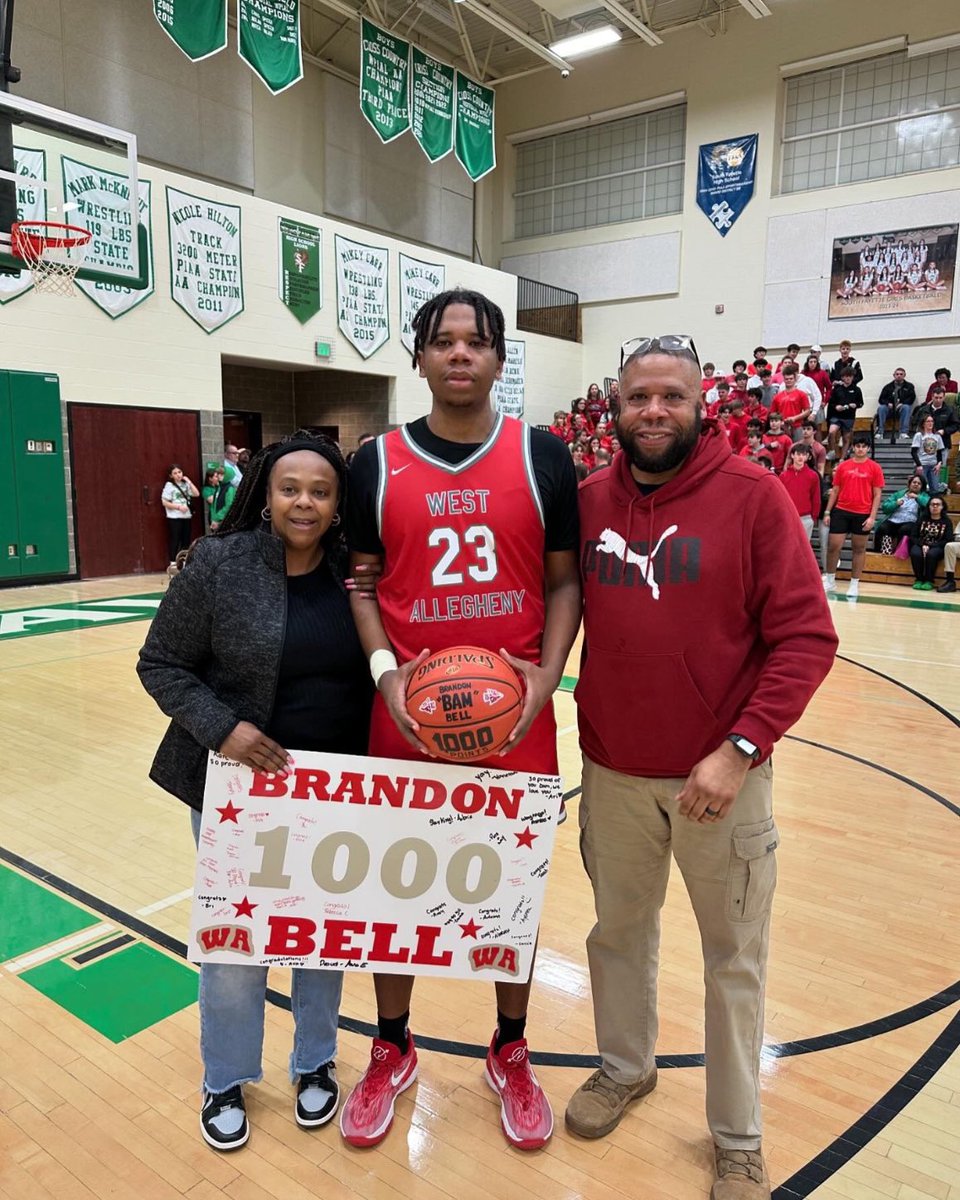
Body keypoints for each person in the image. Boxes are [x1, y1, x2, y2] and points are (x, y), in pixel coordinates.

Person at [568, 334, 837, 1200]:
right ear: (614, 408)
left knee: (733, 959)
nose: (654, 411)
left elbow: (806, 638)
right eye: (638, 396)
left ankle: (736, 1135)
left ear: (700, 405)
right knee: (616, 937)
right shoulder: (587, 501)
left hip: (720, 779)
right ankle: (625, 1068)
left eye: (671, 397)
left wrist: (742, 747)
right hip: (612, 772)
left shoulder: (753, 497)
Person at [342, 288, 581, 1152]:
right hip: (405, 717)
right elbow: (361, 582)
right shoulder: (375, 461)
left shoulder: (542, 455)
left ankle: (509, 1049)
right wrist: (386, 675)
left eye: (476, 342)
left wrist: (547, 679)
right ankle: (393, 1045)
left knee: (509, 896)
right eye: (442, 341)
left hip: (516, 720)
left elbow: (564, 582)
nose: (459, 355)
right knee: (394, 891)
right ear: (419, 357)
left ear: (498, 357)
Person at [137, 431, 373, 1150]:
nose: (306, 501)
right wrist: (223, 730)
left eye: (322, 491)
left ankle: (314, 1062)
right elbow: (162, 664)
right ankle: (227, 1076)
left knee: (320, 937)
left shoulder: (355, 573)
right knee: (237, 944)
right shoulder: (217, 562)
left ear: (339, 505)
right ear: (265, 496)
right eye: (291, 488)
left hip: (335, 788)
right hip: (238, 787)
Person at [822, 434, 884, 599]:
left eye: (864, 446)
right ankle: (830, 579)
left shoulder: (875, 468)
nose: (860, 449)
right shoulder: (843, 466)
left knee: (859, 549)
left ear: (868, 448)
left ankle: (854, 583)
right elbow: (835, 490)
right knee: (834, 546)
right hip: (841, 510)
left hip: (863, 513)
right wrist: (828, 511)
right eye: (857, 446)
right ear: (853, 447)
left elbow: (877, 495)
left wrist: (872, 517)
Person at [874, 475, 929, 554]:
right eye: (914, 482)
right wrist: (895, 503)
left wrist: (917, 497)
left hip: (910, 521)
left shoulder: (924, 496)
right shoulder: (899, 494)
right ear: (909, 484)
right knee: (883, 528)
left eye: (919, 483)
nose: (916, 484)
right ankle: (882, 552)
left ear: (922, 487)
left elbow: (928, 504)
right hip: (894, 520)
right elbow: (885, 507)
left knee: (905, 530)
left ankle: (900, 552)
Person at [908, 495, 953, 589]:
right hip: (920, 543)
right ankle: (919, 579)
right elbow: (913, 536)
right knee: (915, 553)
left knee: (931, 554)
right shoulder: (922, 519)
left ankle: (929, 580)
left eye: (938, 504)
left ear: (942, 507)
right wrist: (923, 545)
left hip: (938, 546)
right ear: (929, 507)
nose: (935, 506)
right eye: (932, 504)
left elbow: (948, 539)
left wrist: (930, 545)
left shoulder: (947, 522)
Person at [779, 445, 821, 540]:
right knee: (787, 546)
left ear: (807, 457)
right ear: (792, 455)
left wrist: (814, 516)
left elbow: (816, 497)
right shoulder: (783, 476)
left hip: (805, 517)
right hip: (787, 516)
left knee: (803, 549)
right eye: (798, 454)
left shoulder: (813, 476)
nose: (801, 457)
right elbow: (780, 498)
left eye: (804, 455)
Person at [161, 464, 199, 564]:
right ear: (171, 475)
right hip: (175, 517)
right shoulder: (169, 486)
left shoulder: (186, 484)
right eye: (175, 473)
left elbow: (196, 494)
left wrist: (189, 482)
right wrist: (178, 507)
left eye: (179, 472)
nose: (178, 475)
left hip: (186, 516)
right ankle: (173, 562)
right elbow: (164, 502)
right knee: (175, 539)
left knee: (186, 540)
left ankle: (184, 561)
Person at [825, 367, 863, 461]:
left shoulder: (857, 389)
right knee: (831, 431)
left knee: (846, 438)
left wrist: (855, 405)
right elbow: (831, 402)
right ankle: (832, 451)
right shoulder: (837, 389)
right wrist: (836, 407)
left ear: (853, 377)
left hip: (849, 417)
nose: (848, 379)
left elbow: (861, 403)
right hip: (836, 416)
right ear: (842, 378)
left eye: (850, 376)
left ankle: (842, 458)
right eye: (846, 377)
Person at [876, 368, 917, 442]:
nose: (899, 376)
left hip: (901, 409)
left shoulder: (909, 386)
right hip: (889, 410)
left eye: (901, 374)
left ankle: (903, 433)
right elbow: (881, 399)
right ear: (894, 375)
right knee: (881, 408)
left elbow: (912, 398)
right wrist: (888, 403)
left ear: (904, 375)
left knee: (906, 407)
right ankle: (880, 432)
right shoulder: (888, 387)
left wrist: (903, 403)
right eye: (897, 374)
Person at [771, 366, 812, 439]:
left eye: (791, 379)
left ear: (795, 379)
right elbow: (772, 413)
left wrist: (795, 418)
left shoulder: (801, 394)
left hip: (798, 426)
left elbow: (807, 411)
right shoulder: (777, 396)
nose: (789, 380)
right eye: (787, 379)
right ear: (784, 380)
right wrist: (780, 422)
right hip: (782, 427)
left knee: (799, 448)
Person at [912, 415, 945, 497]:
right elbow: (913, 452)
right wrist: (918, 465)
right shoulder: (919, 435)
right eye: (928, 421)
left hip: (934, 465)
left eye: (932, 421)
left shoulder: (937, 436)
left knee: (935, 489)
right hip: (922, 464)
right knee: (921, 488)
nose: (930, 423)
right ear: (923, 424)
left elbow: (940, 452)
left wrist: (939, 464)